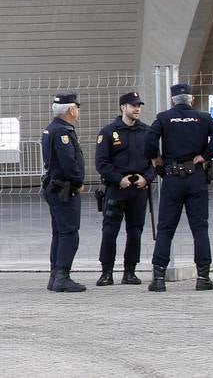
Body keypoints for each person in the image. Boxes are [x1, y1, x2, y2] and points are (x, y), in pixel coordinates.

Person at [144, 82, 213, 292]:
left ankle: (159, 278)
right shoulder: (203, 118)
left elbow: (149, 140)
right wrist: (205, 156)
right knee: (199, 228)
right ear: (192, 99)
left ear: (173, 100)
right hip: (195, 176)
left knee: (165, 228)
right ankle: (203, 277)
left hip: (172, 178)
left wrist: (156, 158)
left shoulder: (164, 118)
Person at [94, 91, 155, 286]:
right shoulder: (108, 132)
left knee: (135, 231)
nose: (137, 109)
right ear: (123, 107)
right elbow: (101, 163)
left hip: (138, 189)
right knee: (110, 231)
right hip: (116, 188)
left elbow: (155, 161)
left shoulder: (146, 132)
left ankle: (130, 271)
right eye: (133, 105)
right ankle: (106, 272)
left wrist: (147, 178)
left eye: (139, 105)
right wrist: (118, 179)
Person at [41, 91, 86, 293]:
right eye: (76, 107)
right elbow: (68, 163)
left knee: (59, 232)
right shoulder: (62, 132)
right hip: (64, 189)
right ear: (70, 109)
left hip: (55, 187)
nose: (77, 111)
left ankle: (55, 275)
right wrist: (78, 181)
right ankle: (62, 276)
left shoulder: (53, 129)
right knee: (69, 233)